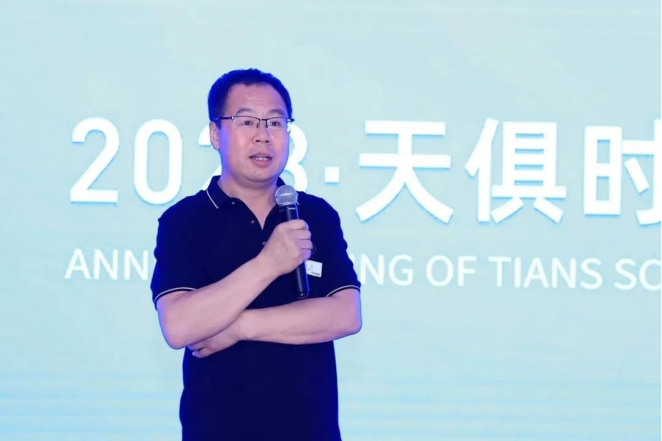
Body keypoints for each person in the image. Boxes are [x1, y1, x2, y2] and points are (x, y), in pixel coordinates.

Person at [150, 68, 362, 441]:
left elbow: (345, 315)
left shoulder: (316, 215)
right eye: (247, 122)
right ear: (215, 134)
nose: (263, 135)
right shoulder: (184, 220)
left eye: (276, 123)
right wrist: (269, 263)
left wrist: (239, 327)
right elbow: (180, 326)